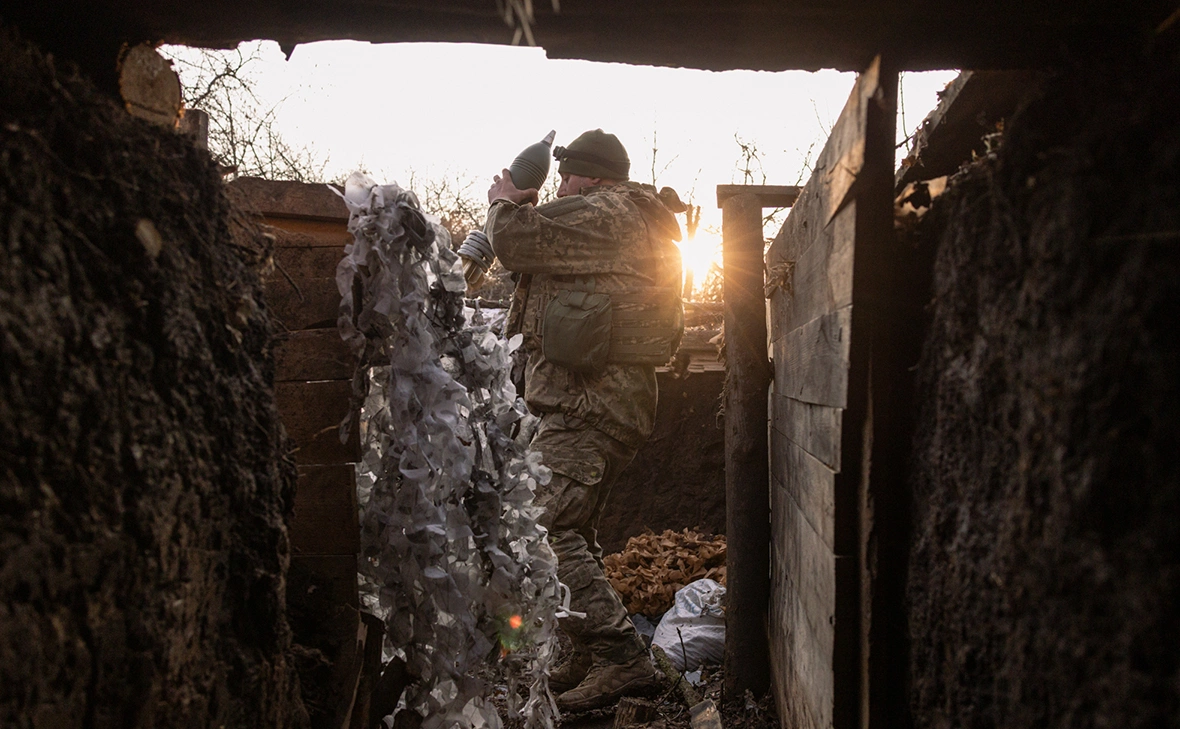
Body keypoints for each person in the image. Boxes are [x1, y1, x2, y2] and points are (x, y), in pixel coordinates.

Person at [479, 129, 685, 711]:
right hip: (590, 404)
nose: (558, 186)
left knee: (540, 528)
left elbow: (516, 241)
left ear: (589, 175)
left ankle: (623, 657)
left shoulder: (609, 213)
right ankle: (588, 650)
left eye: (565, 176)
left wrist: (504, 199)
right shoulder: (621, 216)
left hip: (591, 405)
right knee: (574, 532)